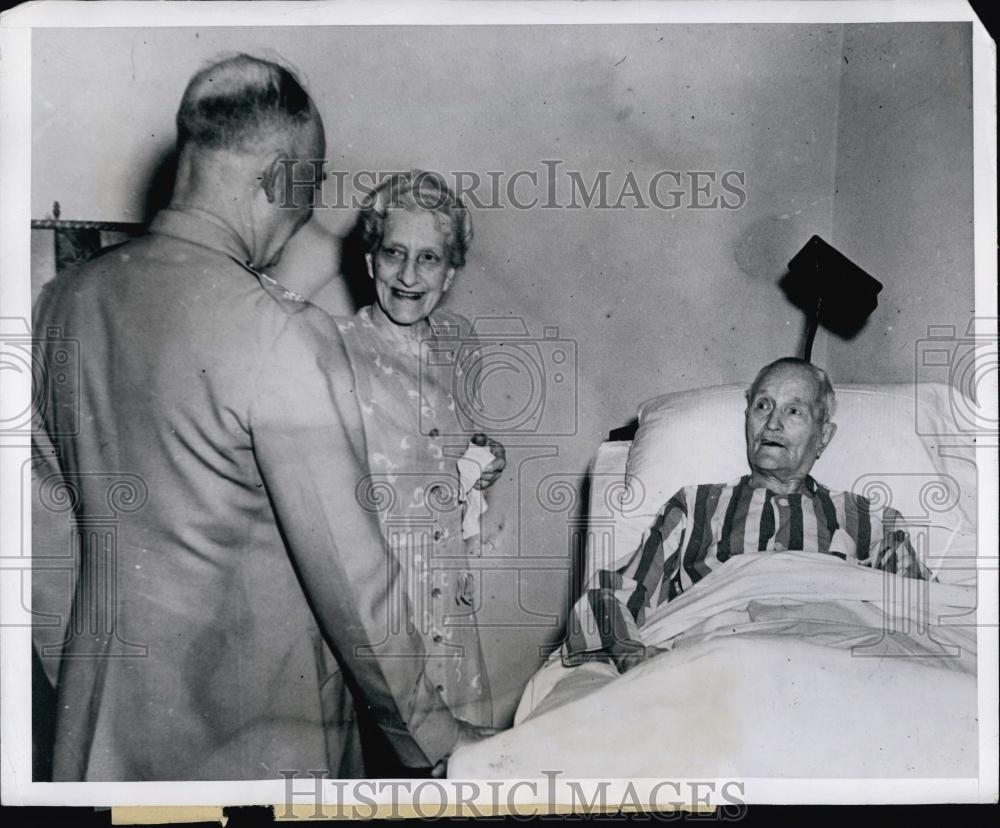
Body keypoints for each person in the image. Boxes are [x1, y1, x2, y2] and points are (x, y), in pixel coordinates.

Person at [32, 54, 486, 781]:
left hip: (96, 738)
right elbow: (353, 579)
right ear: (286, 183)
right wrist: (432, 738)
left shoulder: (58, 306)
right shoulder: (280, 331)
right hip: (258, 748)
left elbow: (43, 552)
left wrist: (88, 694)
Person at [563, 357, 931, 671]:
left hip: (837, 661)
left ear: (824, 436)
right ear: (748, 418)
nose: (772, 424)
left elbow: (929, 613)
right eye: (763, 406)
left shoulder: (871, 520)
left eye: (794, 410)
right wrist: (637, 659)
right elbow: (617, 595)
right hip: (720, 662)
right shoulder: (694, 507)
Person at [335, 172, 505, 739]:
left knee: (455, 770)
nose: (409, 276)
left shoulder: (456, 346)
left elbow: (450, 457)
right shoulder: (335, 350)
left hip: (449, 607)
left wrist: (484, 461)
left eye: (428, 258)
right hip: (379, 602)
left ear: (450, 272)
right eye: (394, 254)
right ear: (370, 261)